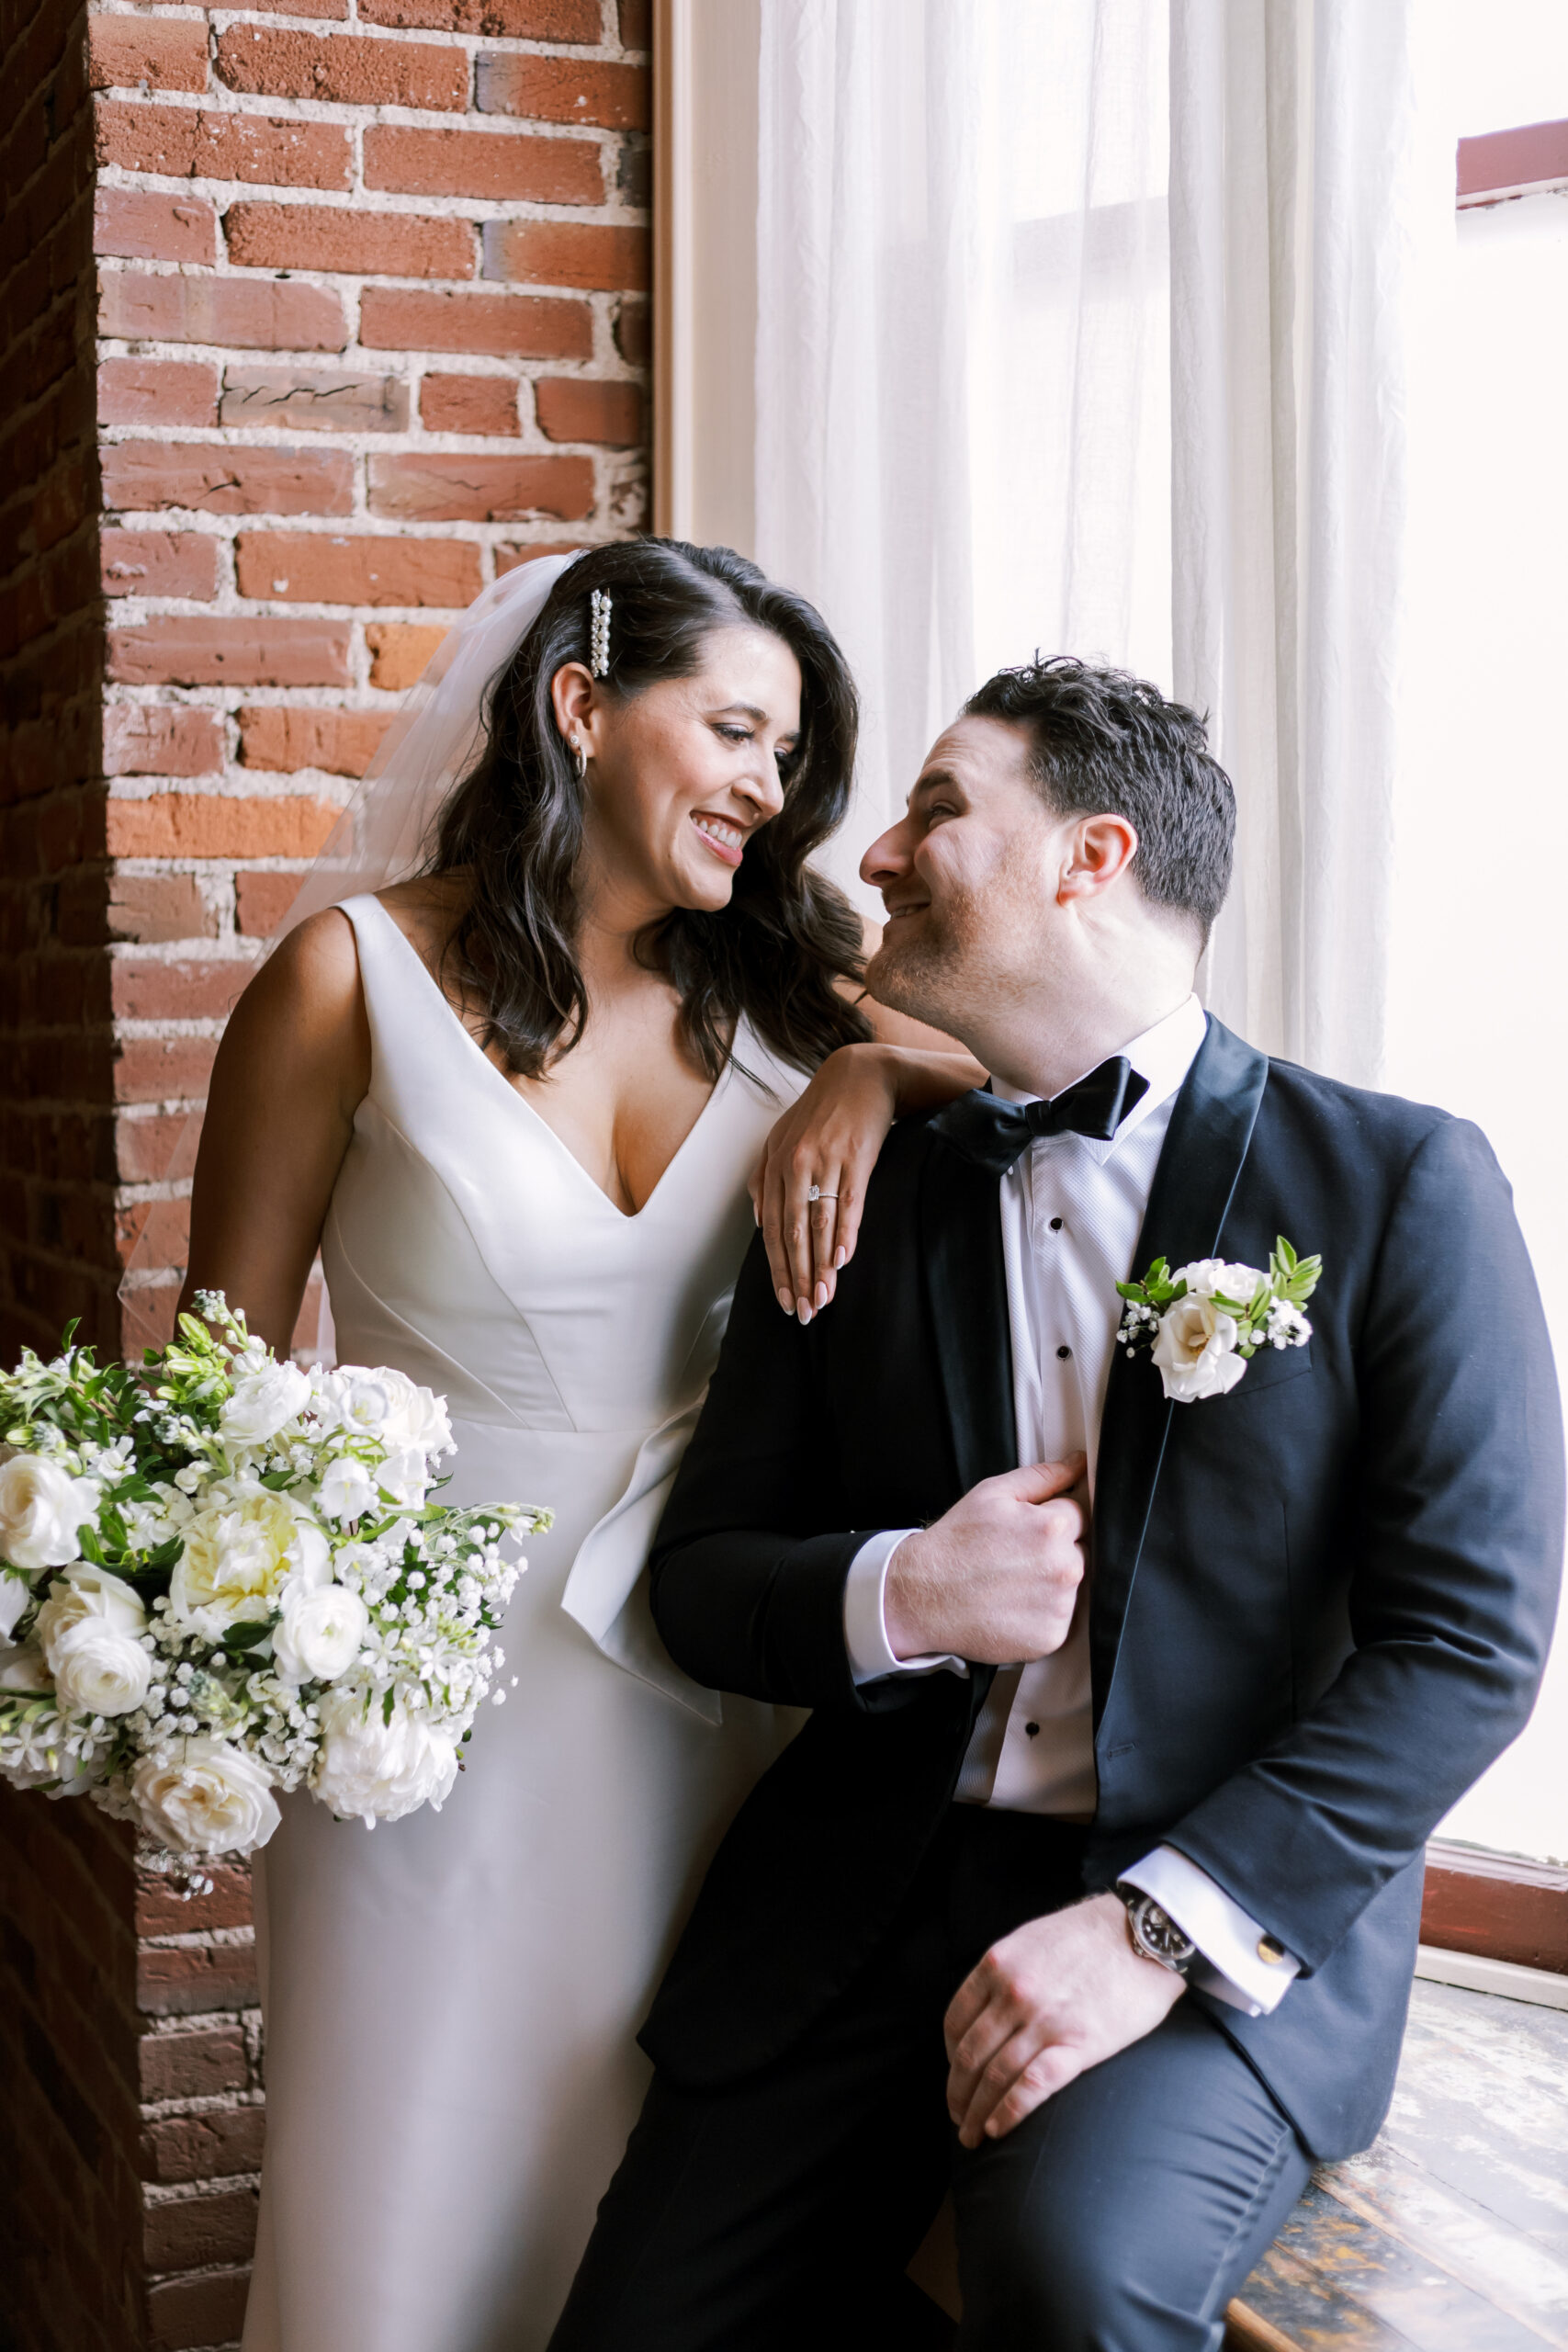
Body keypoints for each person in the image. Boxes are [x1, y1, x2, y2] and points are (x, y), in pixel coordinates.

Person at [550, 657, 1565, 2352]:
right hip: (855, 1904)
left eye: (939, 810)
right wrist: (909, 1595)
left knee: (1077, 2290)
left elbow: (1467, 1648)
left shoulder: (1398, 1183)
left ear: (1092, 859)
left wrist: (1155, 1931)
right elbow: (704, 1580)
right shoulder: (845, 1182)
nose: (873, 854)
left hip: (1199, 1913)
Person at [178, 538, 976, 2352]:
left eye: (793, 758)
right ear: (581, 705)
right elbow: (209, 1381)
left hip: (715, 1691)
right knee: (404, 2197)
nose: (774, 796)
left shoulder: (795, 999)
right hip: (415, 1715)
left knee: (663, 2205)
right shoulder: (344, 978)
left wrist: (867, 1071)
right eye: (739, 734)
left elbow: (1040, 1078)